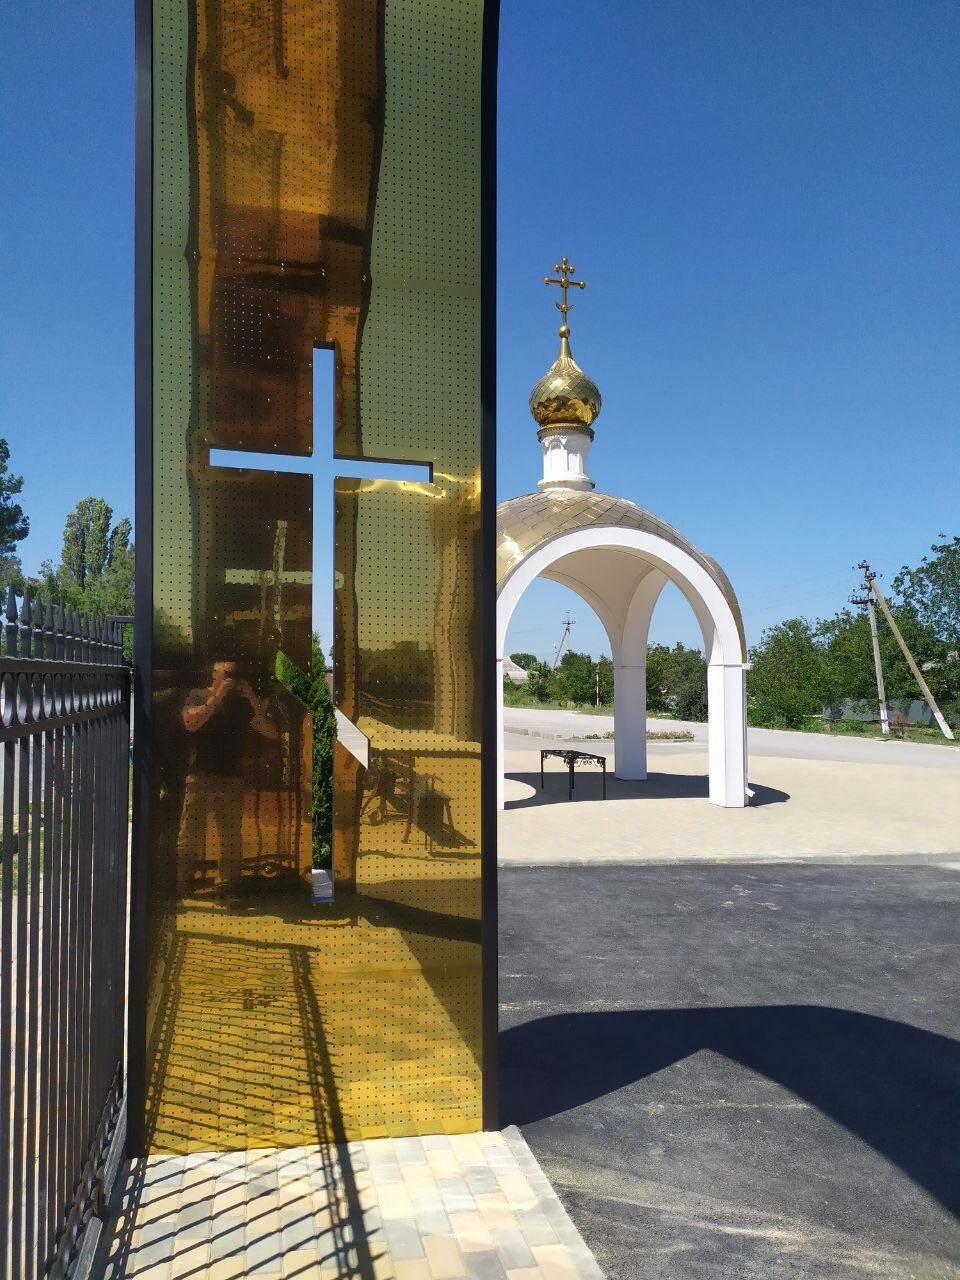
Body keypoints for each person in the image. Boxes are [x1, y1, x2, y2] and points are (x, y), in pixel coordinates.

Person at [177, 659, 278, 897]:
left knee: (230, 838)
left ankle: (226, 886)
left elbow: (270, 731)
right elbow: (190, 723)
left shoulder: (242, 704)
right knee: (188, 835)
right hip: (200, 776)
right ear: (214, 674)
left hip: (231, 779)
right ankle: (180, 883)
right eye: (228, 674)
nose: (232, 678)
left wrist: (252, 698)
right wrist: (217, 697)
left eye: (236, 674)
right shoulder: (198, 695)